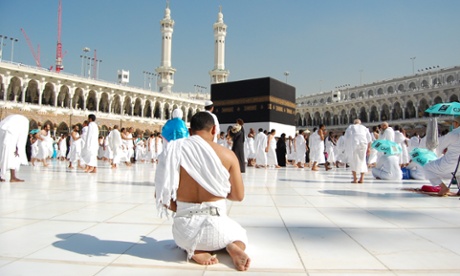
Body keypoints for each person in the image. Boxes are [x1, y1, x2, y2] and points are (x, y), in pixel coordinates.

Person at [154, 112, 250, 271]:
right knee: (240, 235)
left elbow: (162, 196)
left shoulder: (173, 150)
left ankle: (196, 249)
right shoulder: (228, 155)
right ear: (213, 130)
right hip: (219, 229)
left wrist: (186, 209)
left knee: (187, 236)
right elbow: (238, 196)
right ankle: (232, 246)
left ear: (190, 131)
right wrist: (216, 192)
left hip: (185, 233)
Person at [423, 116, 460, 195]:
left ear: (457, 123)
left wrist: (442, 152)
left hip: (450, 163)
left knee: (427, 167)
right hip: (457, 166)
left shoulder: (453, 134)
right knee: (458, 173)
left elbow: (440, 147)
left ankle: (443, 187)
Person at [0, 114, 29, 182]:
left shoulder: (7, 123)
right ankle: (12, 177)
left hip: (4, 139)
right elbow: (22, 139)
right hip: (11, 142)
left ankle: (2, 175)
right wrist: (18, 148)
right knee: (13, 157)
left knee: (2, 156)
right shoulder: (24, 122)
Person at [344, 119, 372, 183]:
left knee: (353, 160)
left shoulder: (351, 127)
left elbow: (347, 137)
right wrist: (369, 148)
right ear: (360, 123)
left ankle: (355, 179)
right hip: (363, 144)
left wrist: (347, 147)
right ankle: (361, 178)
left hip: (354, 143)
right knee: (363, 160)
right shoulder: (364, 128)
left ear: (354, 123)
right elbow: (369, 139)